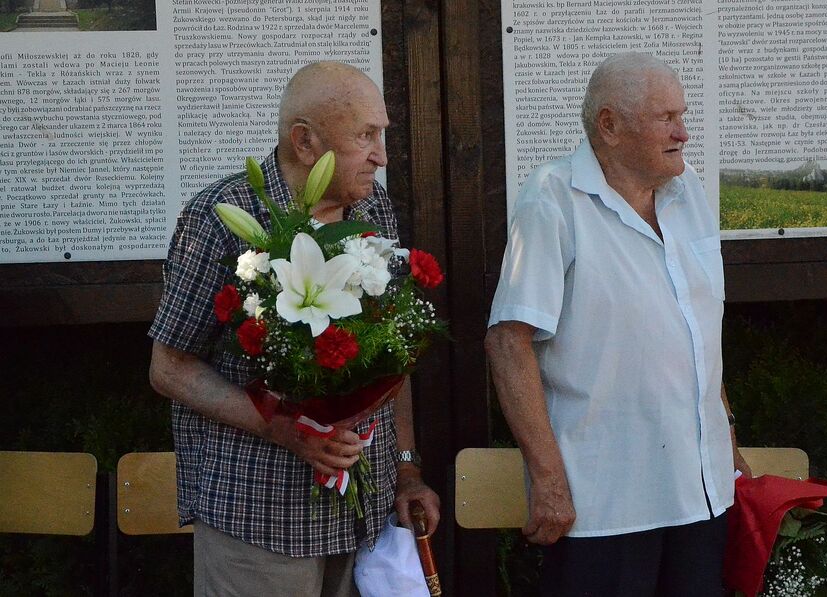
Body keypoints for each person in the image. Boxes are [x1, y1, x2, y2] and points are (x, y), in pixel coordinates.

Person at [148, 61, 439, 597]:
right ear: (304, 142)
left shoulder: (373, 209)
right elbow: (169, 369)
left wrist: (406, 469)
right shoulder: (222, 218)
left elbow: (395, 360)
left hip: (360, 522)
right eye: (365, 135)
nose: (382, 154)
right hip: (260, 522)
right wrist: (282, 427)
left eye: (383, 134)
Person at [484, 52, 751, 596]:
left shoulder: (689, 191)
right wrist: (549, 479)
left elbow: (695, 332)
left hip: (702, 492)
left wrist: (730, 443)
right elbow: (508, 341)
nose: (683, 132)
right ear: (609, 126)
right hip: (606, 502)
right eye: (665, 118)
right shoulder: (553, 196)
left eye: (682, 114)